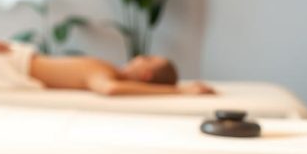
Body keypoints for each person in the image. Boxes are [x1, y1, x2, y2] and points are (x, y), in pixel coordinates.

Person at [28, 53, 215, 96]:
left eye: (147, 59)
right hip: (18, 57)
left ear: (146, 75)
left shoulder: (107, 75)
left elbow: (110, 89)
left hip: (14, 66)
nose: (140, 56)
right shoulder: (110, 70)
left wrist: (180, 91)